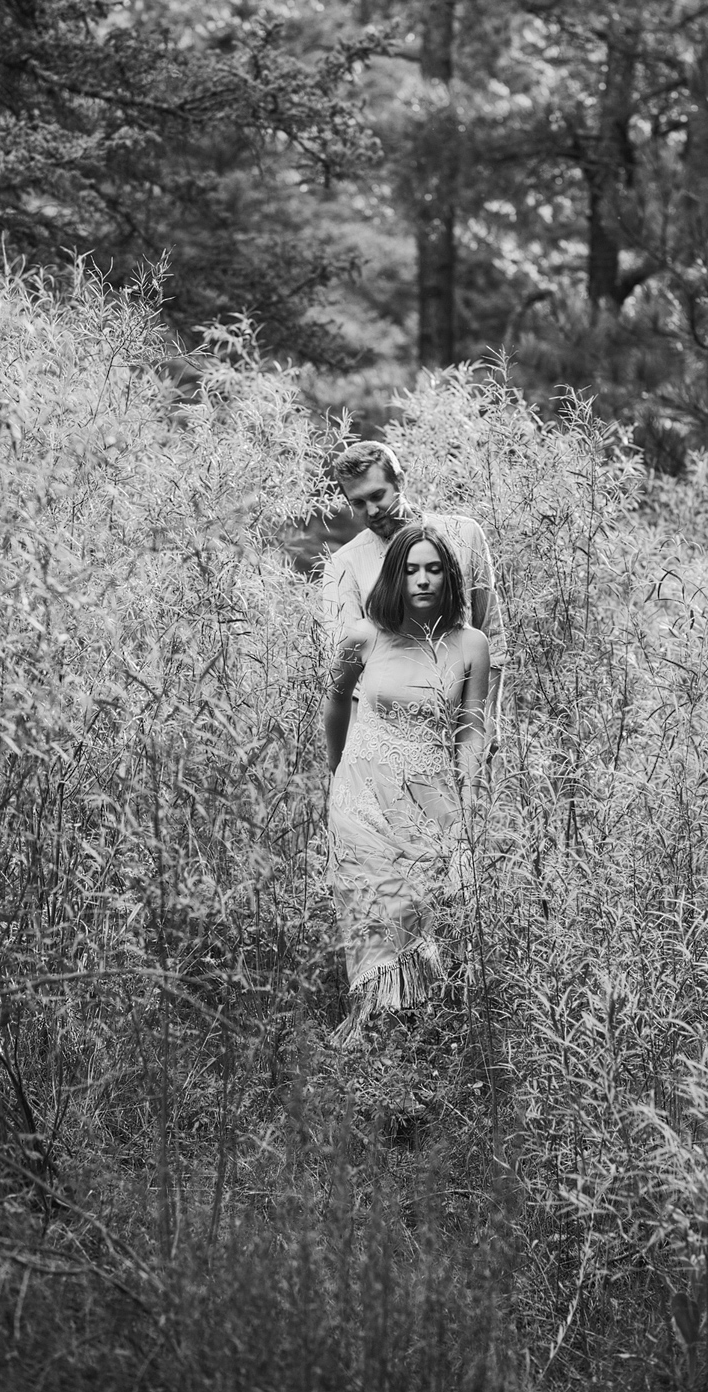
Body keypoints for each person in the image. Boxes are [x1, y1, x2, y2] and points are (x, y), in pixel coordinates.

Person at [322, 523, 491, 1047]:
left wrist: (466, 791)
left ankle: (419, 1035)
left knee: (421, 908)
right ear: (395, 574)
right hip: (362, 796)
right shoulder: (365, 636)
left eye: (434, 569)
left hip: (430, 798)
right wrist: (336, 773)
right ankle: (373, 1028)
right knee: (377, 908)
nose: (423, 579)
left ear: (449, 576)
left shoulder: (470, 645)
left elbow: (472, 724)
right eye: (411, 569)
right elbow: (334, 701)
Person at [321, 440, 508, 733]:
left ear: (401, 482)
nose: (371, 511)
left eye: (377, 495)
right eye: (358, 503)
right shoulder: (343, 564)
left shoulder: (464, 535)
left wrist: (488, 727)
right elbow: (343, 670)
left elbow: (491, 636)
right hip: (383, 738)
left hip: (464, 726)